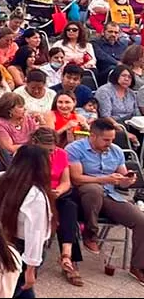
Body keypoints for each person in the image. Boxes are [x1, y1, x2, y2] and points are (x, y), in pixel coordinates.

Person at [68, 117, 144, 283]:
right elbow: (76, 178)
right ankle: (90, 234)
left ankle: (138, 266)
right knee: (93, 189)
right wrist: (105, 179)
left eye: (112, 139)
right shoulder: (75, 148)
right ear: (93, 136)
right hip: (82, 195)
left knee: (140, 220)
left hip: (109, 194)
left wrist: (127, 180)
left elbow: (122, 174)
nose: (109, 143)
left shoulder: (115, 150)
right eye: (106, 140)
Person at [0, 145, 55, 299]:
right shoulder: (36, 195)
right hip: (22, 249)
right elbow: (36, 234)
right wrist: (31, 269)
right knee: (15, 289)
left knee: (15, 289)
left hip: (0, 242)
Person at [30, 127, 84, 287]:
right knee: (40, 212)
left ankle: (67, 257)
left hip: (56, 194)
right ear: (35, 144)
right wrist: (44, 192)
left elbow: (66, 181)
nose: (50, 154)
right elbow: (21, 180)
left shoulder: (60, 154)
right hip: (33, 194)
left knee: (69, 208)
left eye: (52, 150)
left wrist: (58, 191)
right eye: (45, 151)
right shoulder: (26, 156)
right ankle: (32, 261)